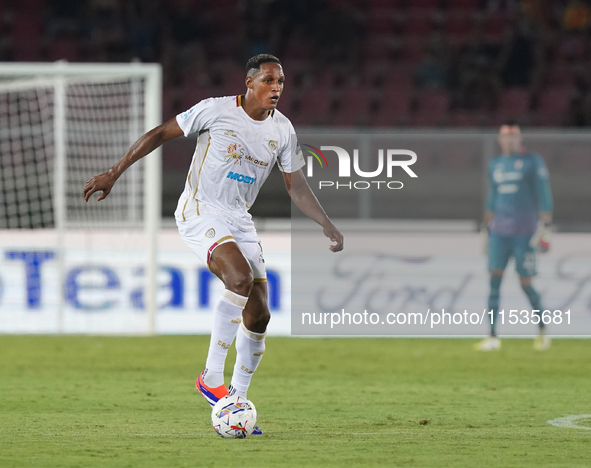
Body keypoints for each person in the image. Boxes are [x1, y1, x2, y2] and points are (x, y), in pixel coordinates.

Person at [83, 54, 344, 434]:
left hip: (239, 218)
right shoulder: (215, 111)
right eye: (269, 81)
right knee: (238, 279)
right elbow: (159, 133)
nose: (277, 88)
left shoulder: (283, 131)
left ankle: (235, 401)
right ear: (250, 82)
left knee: (260, 315)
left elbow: (296, 185)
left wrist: (326, 224)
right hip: (200, 209)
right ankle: (210, 376)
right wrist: (114, 172)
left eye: (281, 82)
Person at [476, 122, 552, 351]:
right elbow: (493, 195)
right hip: (499, 232)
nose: (509, 141)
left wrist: (545, 226)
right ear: (499, 139)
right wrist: (486, 226)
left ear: (520, 139)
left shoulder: (532, 162)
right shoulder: (495, 165)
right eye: (505, 137)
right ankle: (492, 335)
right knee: (494, 281)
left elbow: (544, 192)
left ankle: (542, 330)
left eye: (513, 136)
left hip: (525, 233)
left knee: (526, 282)